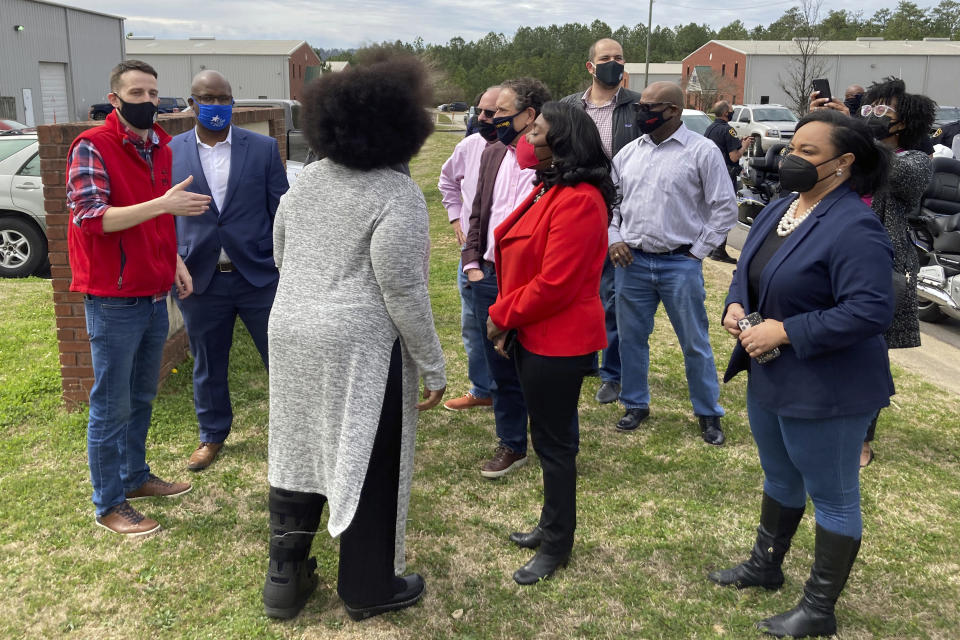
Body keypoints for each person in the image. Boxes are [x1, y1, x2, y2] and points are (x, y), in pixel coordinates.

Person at [261, 55, 446, 622]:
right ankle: (368, 587)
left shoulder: (305, 182)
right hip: (360, 347)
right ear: (401, 129)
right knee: (370, 456)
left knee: (298, 446)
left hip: (291, 331)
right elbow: (403, 290)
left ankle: (284, 581)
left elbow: (280, 252)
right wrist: (433, 365)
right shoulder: (397, 194)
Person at [711, 109, 895, 639]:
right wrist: (735, 303)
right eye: (793, 146)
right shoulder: (780, 207)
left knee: (834, 494)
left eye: (809, 153)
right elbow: (746, 270)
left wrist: (786, 330)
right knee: (780, 475)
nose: (793, 158)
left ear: (843, 164)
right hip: (771, 375)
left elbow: (869, 311)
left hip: (829, 386)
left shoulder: (855, 225)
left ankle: (819, 609)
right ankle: (766, 567)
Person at [66, 60, 210, 535]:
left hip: (152, 294)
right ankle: (108, 503)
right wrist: (164, 204)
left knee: (142, 395)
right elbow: (92, 217)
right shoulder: (93, 146)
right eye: (137, 93)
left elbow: (154, 222)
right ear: (115, 99)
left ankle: (133, 477)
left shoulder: (158, 148)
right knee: (111, 403)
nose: (148, 101)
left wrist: (175, 263)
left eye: (153, 92)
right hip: (113, 298)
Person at [487, 101, 612, 584]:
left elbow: (556, 283)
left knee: (557, 447)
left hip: (558, 342)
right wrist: (514, 323)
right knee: (546, 441)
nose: (528, 137)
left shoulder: (579, 198)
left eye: (537, 130)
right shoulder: (549, 189)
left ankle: (557, 544)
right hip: (533, 332)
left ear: (562, 140)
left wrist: (501, 318)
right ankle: (549, 525)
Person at [812, 76, 935, 467]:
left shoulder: (915, 162)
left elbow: (879, 169)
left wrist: (850, 127)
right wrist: (823, 127)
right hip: (830, 256)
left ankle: (862, 438)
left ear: (905, 122)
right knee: (825, 339)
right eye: (867, 108)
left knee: (868, 351)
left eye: (882, 111)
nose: (871, 116)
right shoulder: (852, 148)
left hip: (881, 265)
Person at [171, 70, 289, 471]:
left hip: (258, 275)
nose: (217, 106)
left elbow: (282, 211)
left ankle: (294, 432)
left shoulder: (263, 148)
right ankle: (212, 435)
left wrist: (286, 267)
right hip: (200, 277)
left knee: (283, 358)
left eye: (224, 98)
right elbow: (162, 218)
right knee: (208, 363)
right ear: (192, 103)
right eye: (208, 98)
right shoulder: (170, 152)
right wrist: (173, 262)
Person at [607, 81, 736, 443]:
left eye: (650, 107)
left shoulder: (703, 152)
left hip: (680, 263)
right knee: (631, 339)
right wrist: (614, 238)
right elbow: (611, 205)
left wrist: (697, 252)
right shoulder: (628, 153)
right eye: (640, 106)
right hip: (631, 262)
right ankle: (635, 403)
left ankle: (708, 412)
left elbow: (724, 208)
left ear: (674, 111)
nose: (641, 112)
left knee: (694, 342)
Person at [461, 77, 551, 478]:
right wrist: (473, 263)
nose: (492, 118)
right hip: (491, 275)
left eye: (501, 112)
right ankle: (512, 443)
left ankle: (552, 443)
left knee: (541, 364)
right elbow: (478, 211)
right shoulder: (491, 152)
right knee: (499, 365)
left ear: (528, 115)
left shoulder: (552, 159)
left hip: (535, 280)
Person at [560, 37, 642, 405]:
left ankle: (613, 372)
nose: (614, 63)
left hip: (619, 211)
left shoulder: (638, 107)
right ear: (591, 67)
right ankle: (583, 358)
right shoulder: (568, 107)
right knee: (577, 289)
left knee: (612, 297)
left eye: (619, 58)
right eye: (606, 58)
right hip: (576, 210)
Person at [438, 85, 500, 412]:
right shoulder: (469, 146)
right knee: (474, 327)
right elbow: (447, 181)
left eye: (491, 113)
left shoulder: (526, 152)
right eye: (480, 111)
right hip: (472, 257)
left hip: (508, 260)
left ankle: (514, 393)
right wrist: (454, 220)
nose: (483, 118)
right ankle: (482, 389)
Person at [704, 100, 752, 264]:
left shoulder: (710, 128)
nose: (732, 112)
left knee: (712, 212)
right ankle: (719, 250)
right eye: (731, 110)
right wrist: (744, 146)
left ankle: (710, 248)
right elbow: (734, 156)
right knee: (725, 212)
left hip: (711, 176)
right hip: (726, 176)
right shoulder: (728, 130)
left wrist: (737, 142)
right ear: (726, 113)